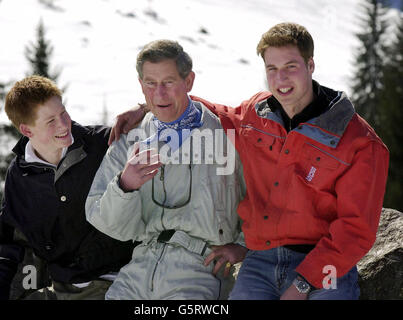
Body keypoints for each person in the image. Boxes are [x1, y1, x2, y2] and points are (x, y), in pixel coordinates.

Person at [110, 23, 390, 300]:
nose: (281, 79)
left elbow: (355, 230)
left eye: (291, 67)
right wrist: (149, 105)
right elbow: (218, 114)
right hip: (261, 261)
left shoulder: (359, 142)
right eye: (272, 69)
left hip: (327, 266)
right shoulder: (256, 115)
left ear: (310, 65)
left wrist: (304, 284)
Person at [85, 40, 247, 300]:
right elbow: (108, 223)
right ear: (140, 84)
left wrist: (242, 247)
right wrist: (124, 186)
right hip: (139, 267)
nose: (159, 94)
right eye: (150, 83)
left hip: (202, 268)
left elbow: (262, 199)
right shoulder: (131, 138)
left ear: (189, 81)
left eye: (169, 82)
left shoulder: (225, 135)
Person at [0, 75, 136, 300]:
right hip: (62, 288)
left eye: (63, 113)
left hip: (117, 281)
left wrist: (142, 108)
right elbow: (15, 247)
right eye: (51, 121)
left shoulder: (104, 145)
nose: (64, 124)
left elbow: (176, 116)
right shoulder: (20, 176)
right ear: (27, 131)